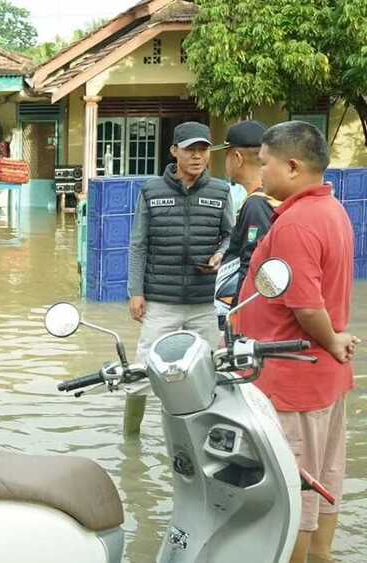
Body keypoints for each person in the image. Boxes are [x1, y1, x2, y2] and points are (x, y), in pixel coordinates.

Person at [236, 121, 358, 563]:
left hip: (294, 380)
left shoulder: (295, 224)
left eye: (264, 164)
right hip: (325, 376)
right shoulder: (333, 210)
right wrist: (336, 342)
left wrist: (329, 339)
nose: (259, 173)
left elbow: (306, 307)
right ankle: (323, 555)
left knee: (294, 494)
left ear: (291, 166)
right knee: (325, 479)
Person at [125, 122, 234, 435]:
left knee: (208, 370)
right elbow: (138, 244)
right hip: (161, 301)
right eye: (190, 150)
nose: (197, 156)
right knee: (143, 371)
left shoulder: (221, 191)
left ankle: (206, 433)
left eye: (203, 150)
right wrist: (136, 291)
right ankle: (131, 438)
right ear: (174, 151)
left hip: (204, 303)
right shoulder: (151, 191)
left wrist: (221, 255)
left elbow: (231, 237)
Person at [217, 120, 280, 304]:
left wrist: (238, 314)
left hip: (250, 313)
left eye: (226, 155)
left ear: (237, 158)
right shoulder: (270, 198)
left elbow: (252, 266)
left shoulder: (257, 204)